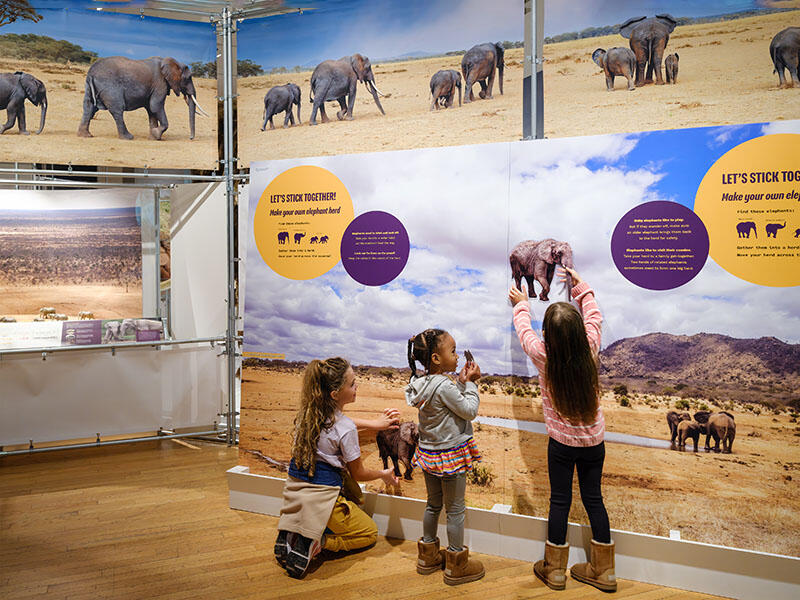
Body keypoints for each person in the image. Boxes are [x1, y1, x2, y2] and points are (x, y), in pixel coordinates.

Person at [508, 266, 616, 593]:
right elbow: (595, 317)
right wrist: (581, 286)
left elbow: (524, 332)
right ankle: (605, 572)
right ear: (579, 332)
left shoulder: (544, 356)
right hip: (594, 443)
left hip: (561, 445)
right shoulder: (591, 346)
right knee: (594, 499)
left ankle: (555, 572)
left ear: (549, 337)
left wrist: (521, 303)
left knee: (560, 501)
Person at [274, 357, 400, 578]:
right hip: (325, 500)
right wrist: (384, 475)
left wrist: (373, 424)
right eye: (351, 384)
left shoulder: (307, 415)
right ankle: (319, 542)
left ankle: (293, 531)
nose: (356, 386)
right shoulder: (346, 428)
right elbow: (358, 473)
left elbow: (340, 423)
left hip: (296, 493)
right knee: (370, 532)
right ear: (334, 394)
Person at [406, 328, 485, 586]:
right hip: (449, 457)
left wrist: (461, 383)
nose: (457, 356)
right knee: (455, 511)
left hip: (429, 456)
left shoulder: (421, 383)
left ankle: (427, 556)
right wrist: (471, 383)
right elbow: (469, 410)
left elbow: (449, 406)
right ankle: (456, 565)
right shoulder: (443, 386)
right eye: (453, 351)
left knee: (433, 504)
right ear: (436, 358)